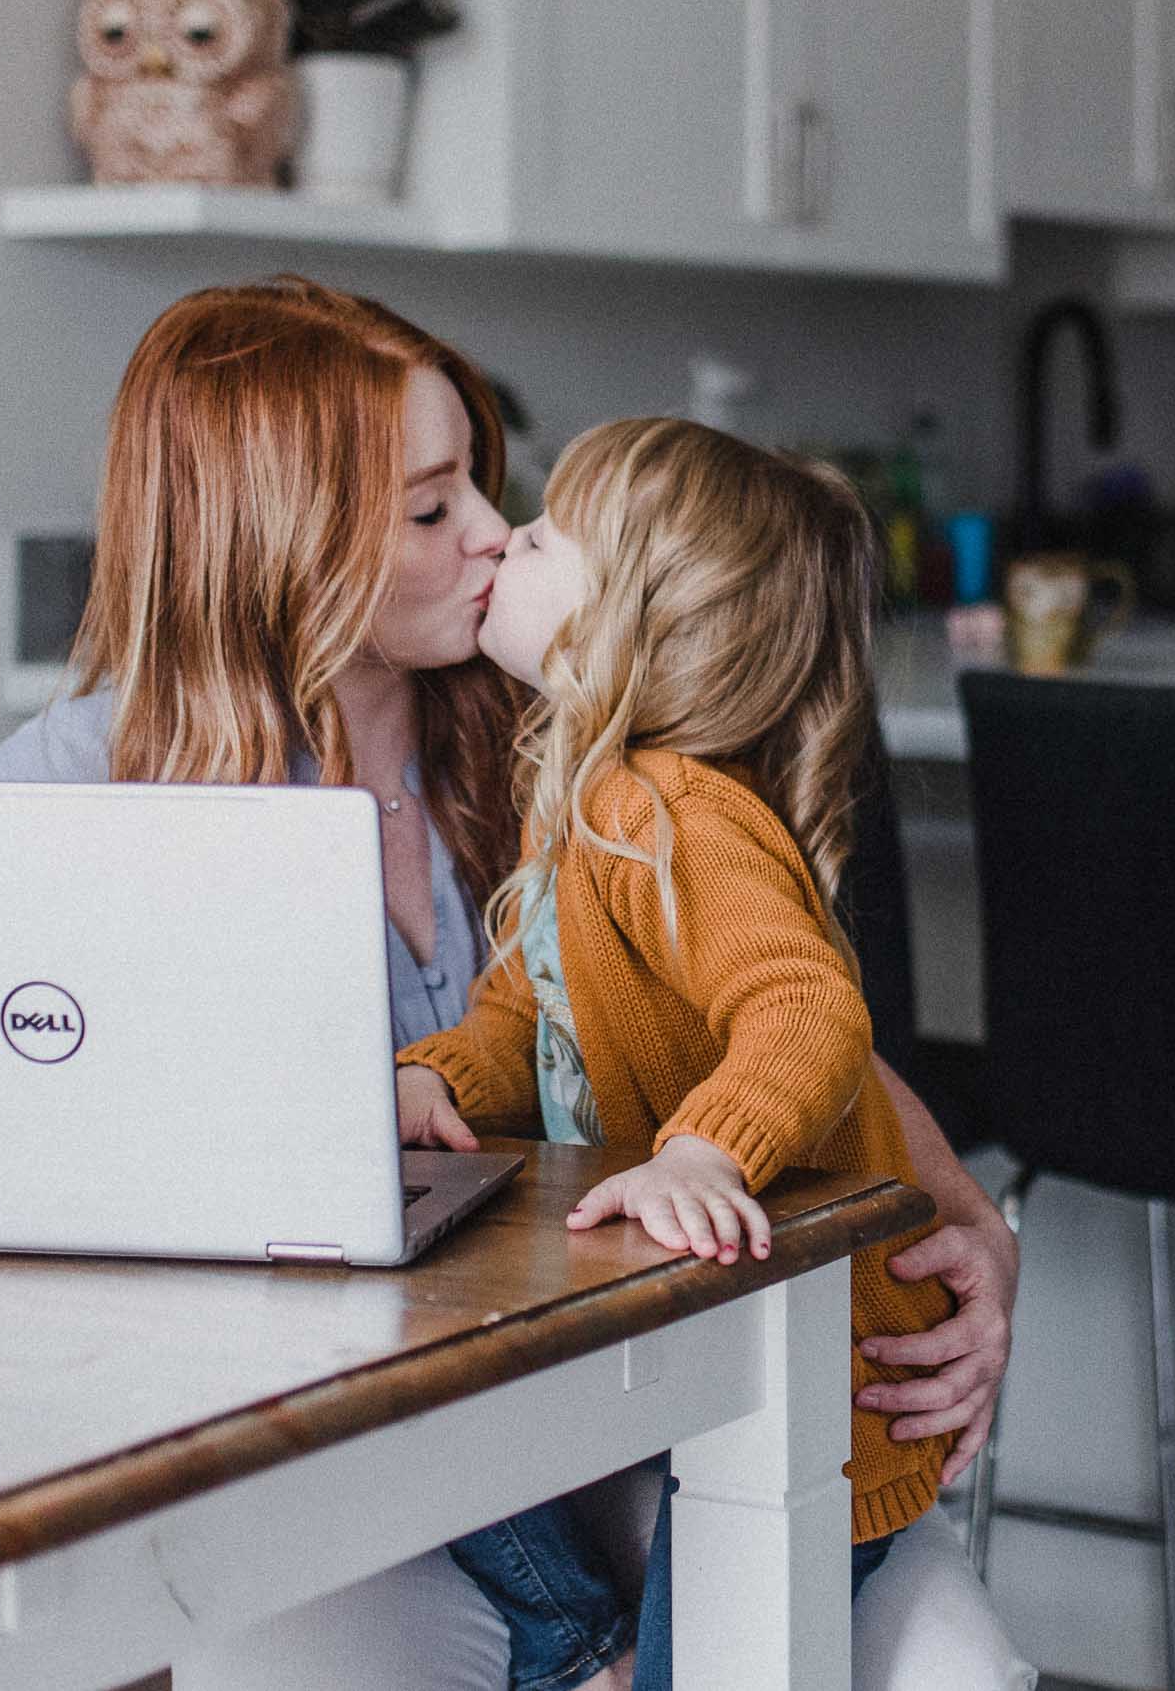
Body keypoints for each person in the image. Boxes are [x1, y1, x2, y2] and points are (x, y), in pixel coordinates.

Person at [0, 278, 1019, 1688]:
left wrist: (970, 1225)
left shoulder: (568, 733)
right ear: (287, 546)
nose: (494, 537)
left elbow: (782, 1011)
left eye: (487, 493)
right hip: (358, 1436)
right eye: (435, 512)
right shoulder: (103, 778)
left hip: (629, 1387)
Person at [394, 417, 956, 1687]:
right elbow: (518, 1013)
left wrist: (705, 1148)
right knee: (432, 1407)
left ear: (619, 620)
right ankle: (575, 1640)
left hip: (820, 1381)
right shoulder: (588, 803)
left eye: (538, 537)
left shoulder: (674, 811)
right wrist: (433, 1078)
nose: (501, 541)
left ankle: (580, 1647)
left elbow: (807, 1005)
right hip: (700, 1348)